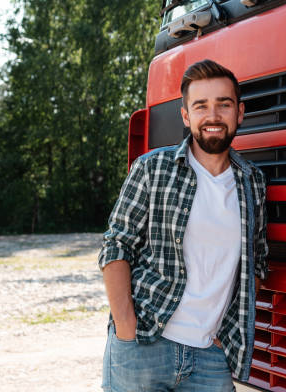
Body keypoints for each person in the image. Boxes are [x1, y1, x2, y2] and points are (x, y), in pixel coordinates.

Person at [98, 59, 268, 392]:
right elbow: (116, 246)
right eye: (201, 106)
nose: (213, 116)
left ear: (240, 112)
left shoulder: (253, 183)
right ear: (186, 116)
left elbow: (256, 263)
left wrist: (225, 330)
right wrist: (125, 327)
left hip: (210, 357)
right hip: (144, 345)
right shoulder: (153, 168)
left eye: (224, 104)